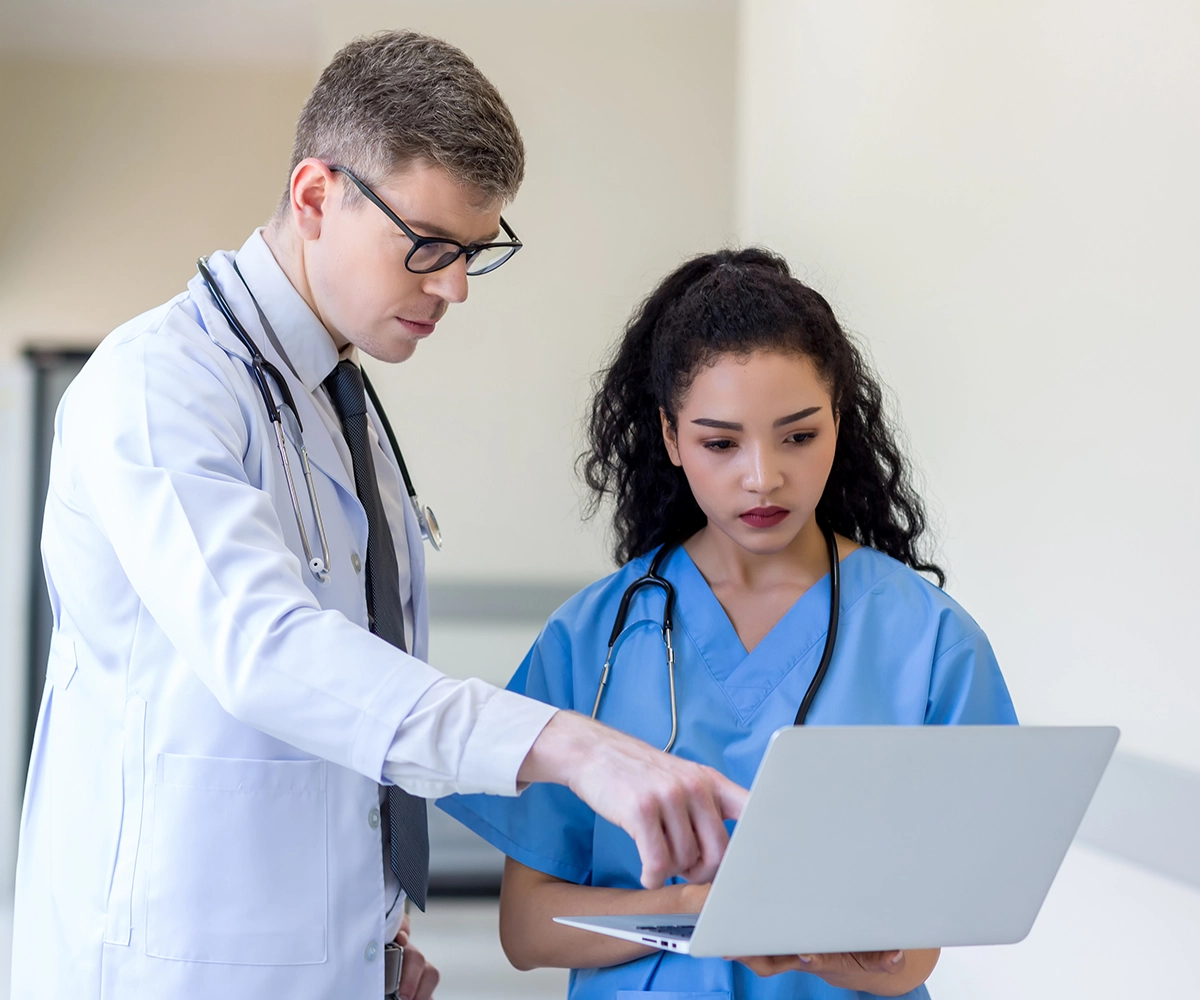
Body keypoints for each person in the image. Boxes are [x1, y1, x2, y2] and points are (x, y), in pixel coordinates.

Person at [9, 31, 746, 1000]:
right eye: (429, 247)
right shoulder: (159, 385)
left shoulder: (341, 409)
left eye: (474, 254)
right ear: (316, 197)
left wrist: (374, 932)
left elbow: (351, 714)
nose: (450, 288)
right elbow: (268, 652)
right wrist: (571, 745)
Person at [439, 248, 1018, 999]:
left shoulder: (930, 642)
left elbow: (916, 954)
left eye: (798, 436)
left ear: (839, 422)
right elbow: (527, 929)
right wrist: (698, 910)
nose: (763, 476)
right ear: (672, 438)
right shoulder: (593, 637)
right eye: (720, 442)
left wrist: (820, 949)